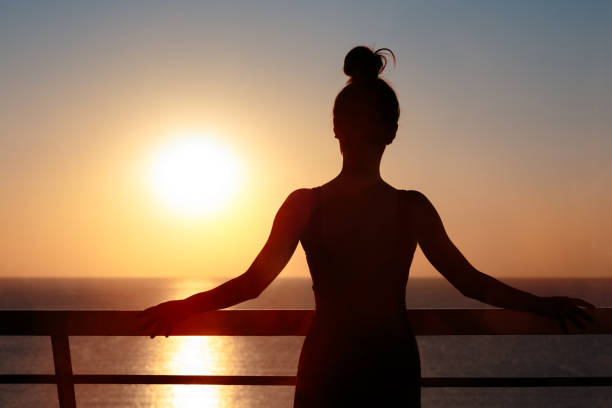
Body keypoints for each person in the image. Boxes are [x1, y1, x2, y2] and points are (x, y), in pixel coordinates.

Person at [140, 46, 595, 407]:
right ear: (393, 132)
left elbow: (251, 285)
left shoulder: (304, 206)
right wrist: (545, 306)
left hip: (326, 367)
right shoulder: (411, 208)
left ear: (335, 128)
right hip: (390, 366)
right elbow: (471, 284)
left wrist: (183, 307)